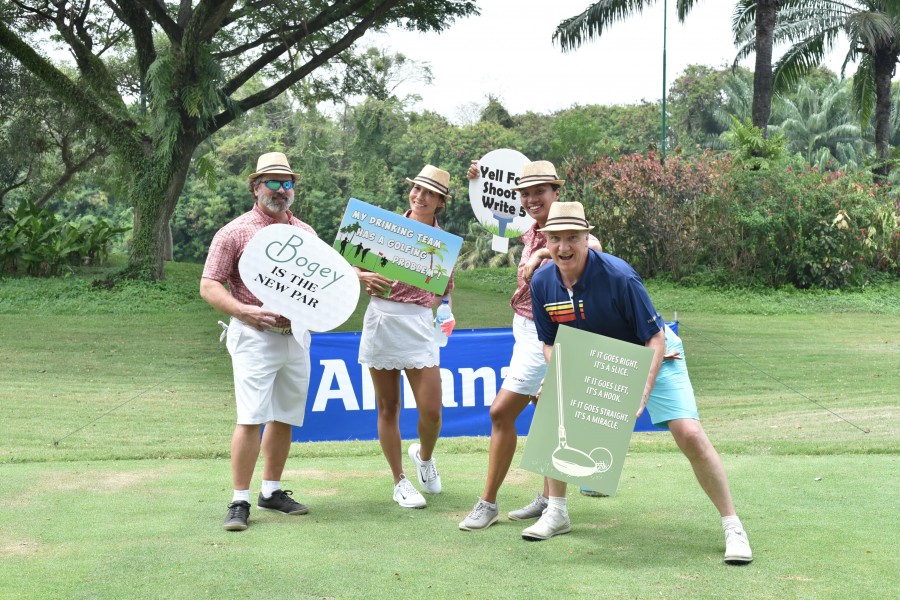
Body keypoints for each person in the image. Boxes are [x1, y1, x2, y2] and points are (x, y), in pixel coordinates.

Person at [524, 200, 753, 565]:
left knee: (689, 433)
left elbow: (656, 339)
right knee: (556, 412)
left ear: (587, 237)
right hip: (596, 360)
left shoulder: (619, 276)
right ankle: (557, 511)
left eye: (572, 238)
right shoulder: (541, 282)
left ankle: (733, 526)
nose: (564, 247)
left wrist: (641, 391)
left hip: (653, 355)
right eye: (556, 239)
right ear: (545, 240)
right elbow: (550, 343)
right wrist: (563, 378)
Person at [459, 160, 601, 531]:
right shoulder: (530, 229)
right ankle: (546, 498)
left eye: (540, 191)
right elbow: (492, 209)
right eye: (525, 193)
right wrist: (478, 180)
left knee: (501, 412)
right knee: (546, 412)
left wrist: (542, 254)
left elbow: (595, 247)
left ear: (557, 193)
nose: (532, 199)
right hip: (524, 326)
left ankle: (487, 503)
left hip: (551, 332)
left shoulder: (563, 231)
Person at [200, 152, 313, 531]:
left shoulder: (306, 234)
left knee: (284, 416)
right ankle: (239, 499)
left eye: (287, 183)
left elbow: (325, 281)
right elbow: (209, 284)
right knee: (251, 417)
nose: (281, 191)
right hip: (253, 334)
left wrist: (356, 278)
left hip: (295, 335)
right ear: (255, 187)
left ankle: (271, 491)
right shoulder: (234, 232)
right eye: (273, 183)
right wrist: (242, 312)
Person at [355, 165, 455, 509]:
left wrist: (444, 312)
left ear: (440, 201)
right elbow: (350, 267)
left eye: (429, 193)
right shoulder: (380, 228)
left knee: (432, 412)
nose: (420, 196)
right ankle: (399, 480)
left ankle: (424, 458)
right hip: (381, 318)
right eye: (417, 189)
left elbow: (444, 292)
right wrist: (362, 276)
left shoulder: (443, 245)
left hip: (418, 324)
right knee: (388, 407)